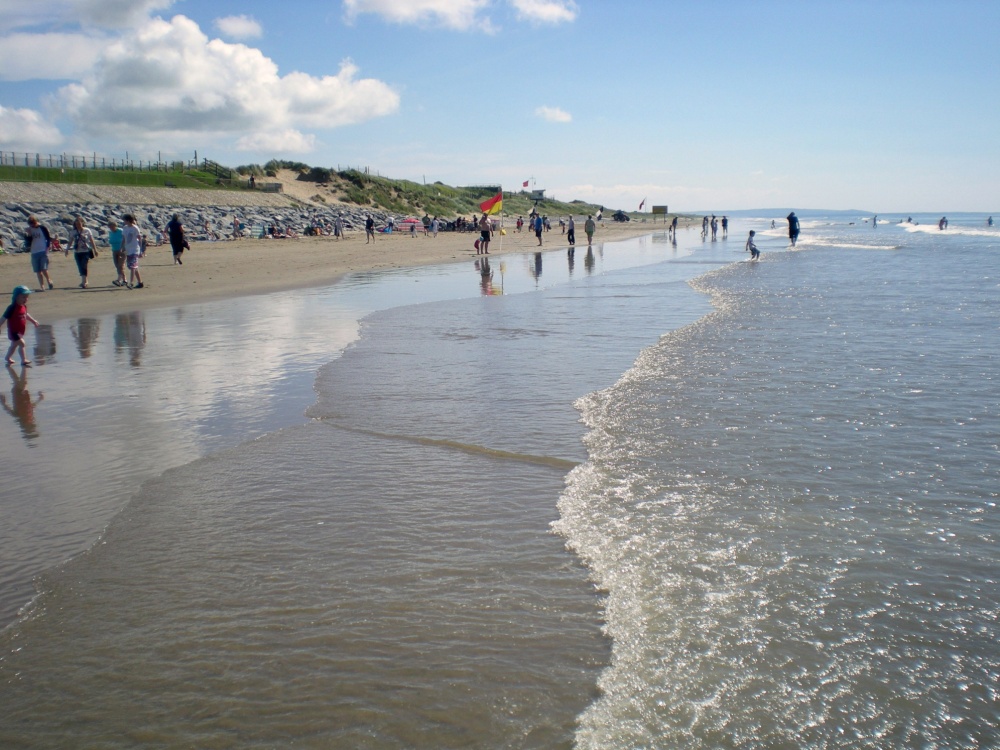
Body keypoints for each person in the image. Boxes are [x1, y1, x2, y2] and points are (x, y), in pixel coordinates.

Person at [2, 286, 39, 366]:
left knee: (14, 345)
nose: (26, 299)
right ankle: (23, 360)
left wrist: (33, 321)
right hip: (13, 331)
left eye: (27, 297)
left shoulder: (23, 306)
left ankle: (7, 357)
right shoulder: (12, 308)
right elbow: (3, 318)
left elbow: (26, 315)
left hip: (20, 331)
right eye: (23, 297)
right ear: (17, 297)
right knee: (22, 343)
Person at [67, 216, 98, 289]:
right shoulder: (73, 232)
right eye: (76, 224)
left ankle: (84, 282)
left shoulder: (87, 230)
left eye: (79, 224)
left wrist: (95, 250)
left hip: (86, 251)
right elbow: (70, 241)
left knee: (84, 265)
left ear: (82, 223)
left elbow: (91, 240)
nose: (78, 225)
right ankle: (85, 280)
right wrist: (67, 249)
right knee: (80, 266)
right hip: (77, 251)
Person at [25, 215, 54, 291]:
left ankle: (49, 280)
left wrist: (47, 248)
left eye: (33, 223)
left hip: (43, 251)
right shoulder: (29, 230)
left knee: (44, 269)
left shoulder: (42, 228)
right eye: (31, 224)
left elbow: (48, 238)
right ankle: (42, 286)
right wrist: (29, 234)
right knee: (38, 271)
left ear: (36, 222)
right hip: (34, 252)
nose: (32, 225)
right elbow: (28, 242)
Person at [122, 214, 144, 289]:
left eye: (124, 220)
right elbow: (124, 238)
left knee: (132, 266)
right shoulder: (125, 228)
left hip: (135, 249)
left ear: (128, 220)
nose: (123, 221)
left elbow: (140, 239)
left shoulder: (135, 228)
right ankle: (140, 282)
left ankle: (131, 283)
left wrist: (141, 251)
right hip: (128, 249)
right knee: (133, 267)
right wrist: (122, 247)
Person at [107, 220, 126, 287]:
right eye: (110, 227)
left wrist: (123, 248)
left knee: (120, 265)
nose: (111, 228)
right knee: (117, 266)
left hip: (122, 250)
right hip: (114, 250)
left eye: (112, 227)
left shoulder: (121, 231)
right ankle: (124, 280)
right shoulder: (110, 233)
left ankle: (118, 280)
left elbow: (125, 239)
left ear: (115, 226)